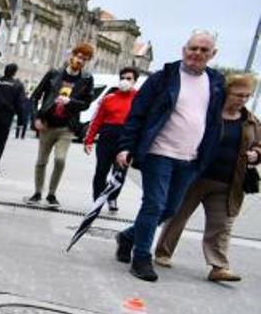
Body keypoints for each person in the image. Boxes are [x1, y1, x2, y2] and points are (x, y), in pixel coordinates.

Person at [114, 31, 226, 282]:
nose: (196, 54)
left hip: (191, 158)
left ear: (212, 54)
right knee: (154, 204)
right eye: (193, 48)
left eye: (203, 50)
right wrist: (125, 146)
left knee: (170, 209)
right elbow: (138, 113)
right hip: (159, 152)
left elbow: (214, 121)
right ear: (183, 49)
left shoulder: (217, 82)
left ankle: (128, 236)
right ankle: (141, 257)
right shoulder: (163, 78)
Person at [154, 72, 260, 282]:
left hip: (227, 182)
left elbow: (259, 145)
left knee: (221, 224)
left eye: (247, 96)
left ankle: (218, 266)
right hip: (194, 176)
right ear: (227, 92)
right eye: (239, 94)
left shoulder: (251, 121)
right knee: (177, 215)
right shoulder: (208, 114)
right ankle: (163, 253)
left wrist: (256, 154)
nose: (243, 99)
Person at [29, 43, 96, 207]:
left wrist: (70, 102)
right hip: (47, 124)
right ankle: (37, 193)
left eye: (84, 59)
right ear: (72, 55)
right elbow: (35, 96)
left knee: (60, 159)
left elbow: (86, 103)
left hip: (66, 127)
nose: (80, 61)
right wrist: (36, 118)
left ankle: (51, 194)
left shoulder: (87, 79)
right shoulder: (53, 74)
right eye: (79, 57)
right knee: (41, 161)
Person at [84, 66, 140, 212]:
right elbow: (97, 120)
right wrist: (89, 139)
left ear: (135, 81)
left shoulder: (139, 98)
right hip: (107, 137)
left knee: (120, 171)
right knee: (101, 170)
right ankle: (97, 198)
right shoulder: (108, 99)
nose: (125, 81)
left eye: (129, 79)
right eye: (122, 78)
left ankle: (113, 197)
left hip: (126, 138)